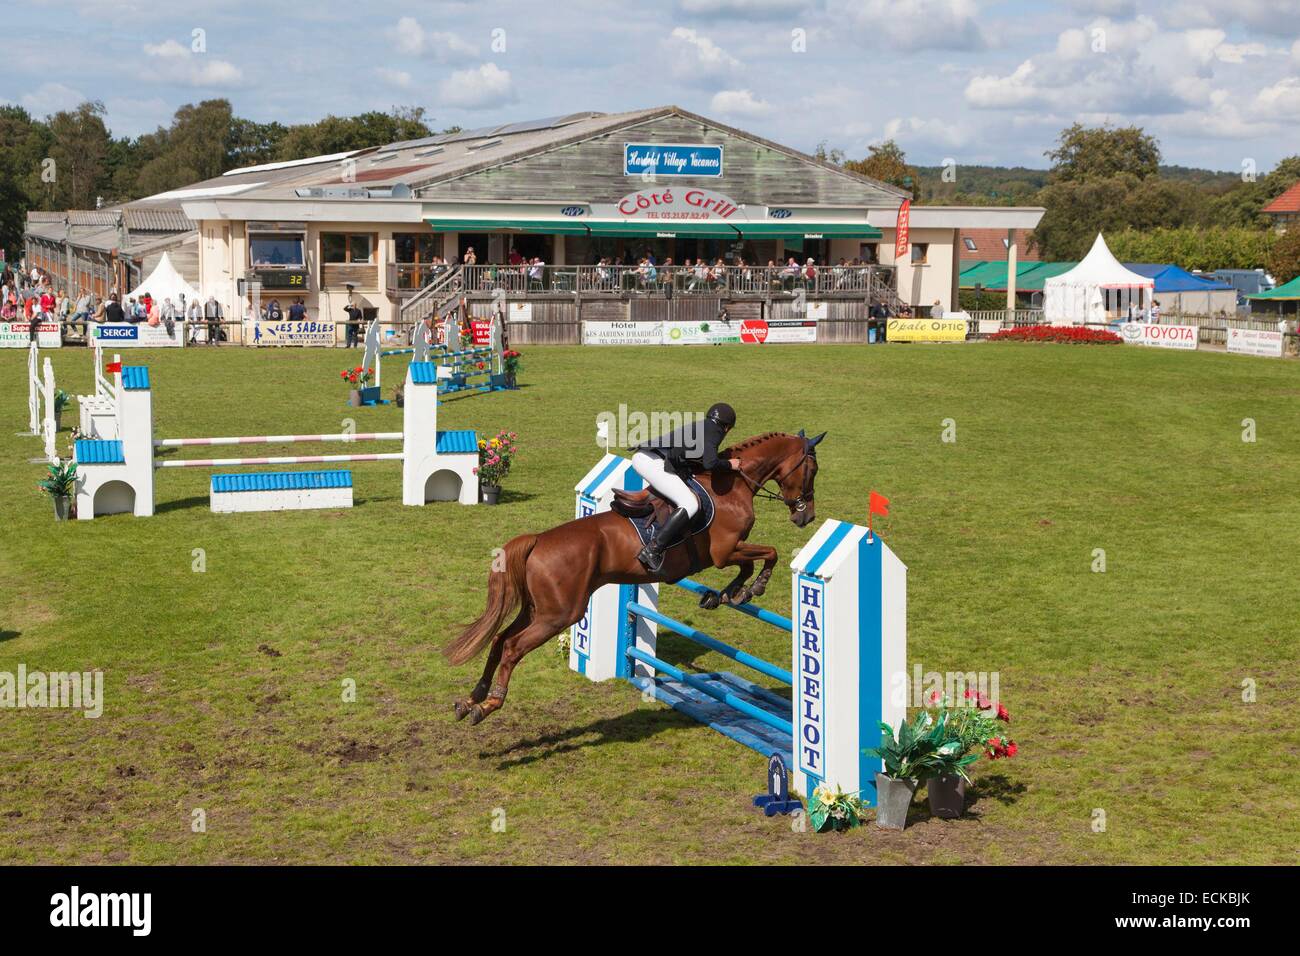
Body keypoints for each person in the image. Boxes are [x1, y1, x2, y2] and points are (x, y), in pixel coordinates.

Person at [630, 403, 741, 572]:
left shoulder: (703, 425)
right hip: (652, 462)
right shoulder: (715, 431)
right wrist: (729, 464)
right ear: (726, 427)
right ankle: (653, 549)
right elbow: (710, 463)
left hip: (649, 457)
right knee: (690, 503)